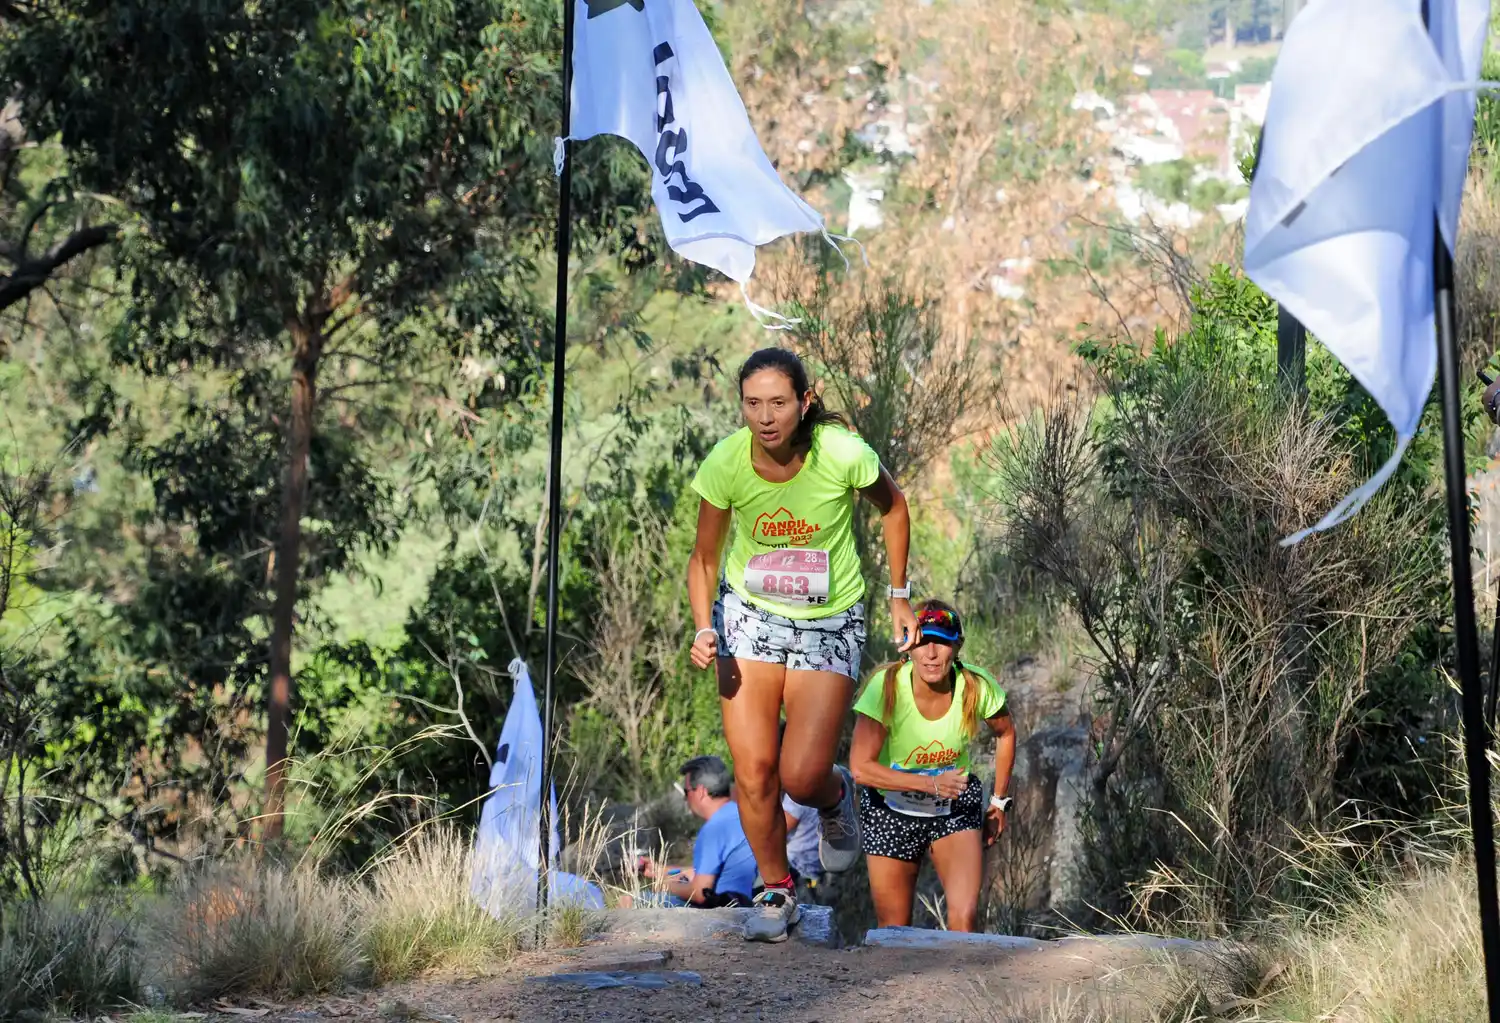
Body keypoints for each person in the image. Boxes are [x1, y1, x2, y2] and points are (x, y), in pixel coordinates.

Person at [687, 347, 916, 942]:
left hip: (827, 620)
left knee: (799, 775)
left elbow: (894, 507)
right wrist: (703, 627)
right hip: (749, 616)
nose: (765, 417)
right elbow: (704, 558)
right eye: (753, 403)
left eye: (778, 403)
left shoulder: (841, 452)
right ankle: (775, 890)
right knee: (754, 770)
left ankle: (835, 794)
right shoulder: (727, 462)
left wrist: (898, 593)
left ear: (804, 402)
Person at [849, 600, 1017, 932]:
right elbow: (861, 768)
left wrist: (999, 801)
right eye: (922, 641)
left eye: (940, 641)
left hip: (953, 808)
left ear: (957, 646)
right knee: (894, 931)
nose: (931, 653)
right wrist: (930, 784)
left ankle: (961, 984)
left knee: (965, 919)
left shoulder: (975, 686)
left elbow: (1006, 732)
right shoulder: (886, 688)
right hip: (889, 809)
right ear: (907, 645)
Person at [637, 756, 757, 907]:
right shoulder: (739, 816)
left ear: (700, 791)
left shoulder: (713, 829)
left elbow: (701, 893)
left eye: (687, 792)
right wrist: (659, 870)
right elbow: (708, 872)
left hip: (722, 911)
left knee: (628, 900)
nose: (685, 800)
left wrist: (662, 885)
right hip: (743, 902)